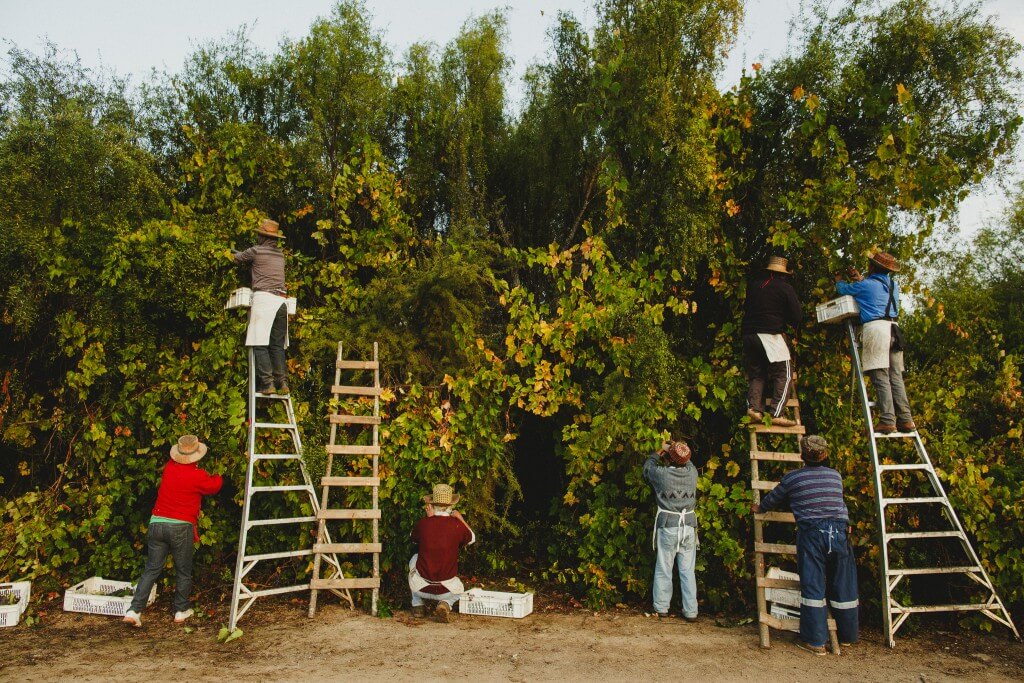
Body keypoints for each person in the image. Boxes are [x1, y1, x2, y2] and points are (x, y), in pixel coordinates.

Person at [751, 435, 858, 655]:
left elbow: (774, 499)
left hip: (813, 533)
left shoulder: (793, 478)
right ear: (825, 454)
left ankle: (816, 641)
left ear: (802, 455)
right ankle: (847, 636)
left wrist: (760, 508)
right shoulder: (835, 476)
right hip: (839, 531)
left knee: (813, 585)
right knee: (843, 583)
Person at [123, 435, 224, 627]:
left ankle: (134, 610)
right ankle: (181, 610)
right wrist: (219, 473)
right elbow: (214, 486)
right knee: (183, 571)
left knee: (151, 569)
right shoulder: (197, 475)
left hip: (157, 524)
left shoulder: (169, 468)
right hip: (180, 526)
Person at [835, 251, 916, 433]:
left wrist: (840, 279)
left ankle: (888, 420)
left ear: (872, 267)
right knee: (896, 376)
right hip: (894, 329)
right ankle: (905, 419)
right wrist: (859, 279)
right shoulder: (893, 285)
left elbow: (843, 290)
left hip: (877, 330)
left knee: (880, 375)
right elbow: (873, 291)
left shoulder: (867, 284)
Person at [231, 218, 290, 395]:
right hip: (282, 301)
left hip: (264, 299)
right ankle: (282, 383)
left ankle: (267, 384)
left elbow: (237, 259)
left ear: (263, 237)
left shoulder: (255, 251)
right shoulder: (280, 255)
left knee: (259, 343)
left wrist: (233, 253)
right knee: (277, 346)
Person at [741, 256, 802, 427]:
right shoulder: (785, 288)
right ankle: (776, 413)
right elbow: (797, 316)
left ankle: (753, 408)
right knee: (785, 373)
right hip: (770, 334)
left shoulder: (754, 285)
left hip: (748, 334)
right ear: (783, 275)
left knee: (757, 373)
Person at [643, 440, 699, 622]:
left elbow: (647, 468)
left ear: (668, 458)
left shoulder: (662, 475)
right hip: (689, 526)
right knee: (687, 570)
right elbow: (687, 461)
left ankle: (661, 607)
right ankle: (691, 611)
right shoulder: (693, 473)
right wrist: (678, 448)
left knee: (664, 567)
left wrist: (660, 450)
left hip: (668, 525)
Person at [409, 483, 475, 623]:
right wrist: (460, 519)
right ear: (450, 505)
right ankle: (445, 604)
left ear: (432, 505)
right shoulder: (457, 525)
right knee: (460, 591)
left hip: (421, 588)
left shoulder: (424, 523)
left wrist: (429, 519)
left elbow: (412, 537)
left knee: (414, 558)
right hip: (446, 590)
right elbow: (472, 538)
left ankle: (417, 605)